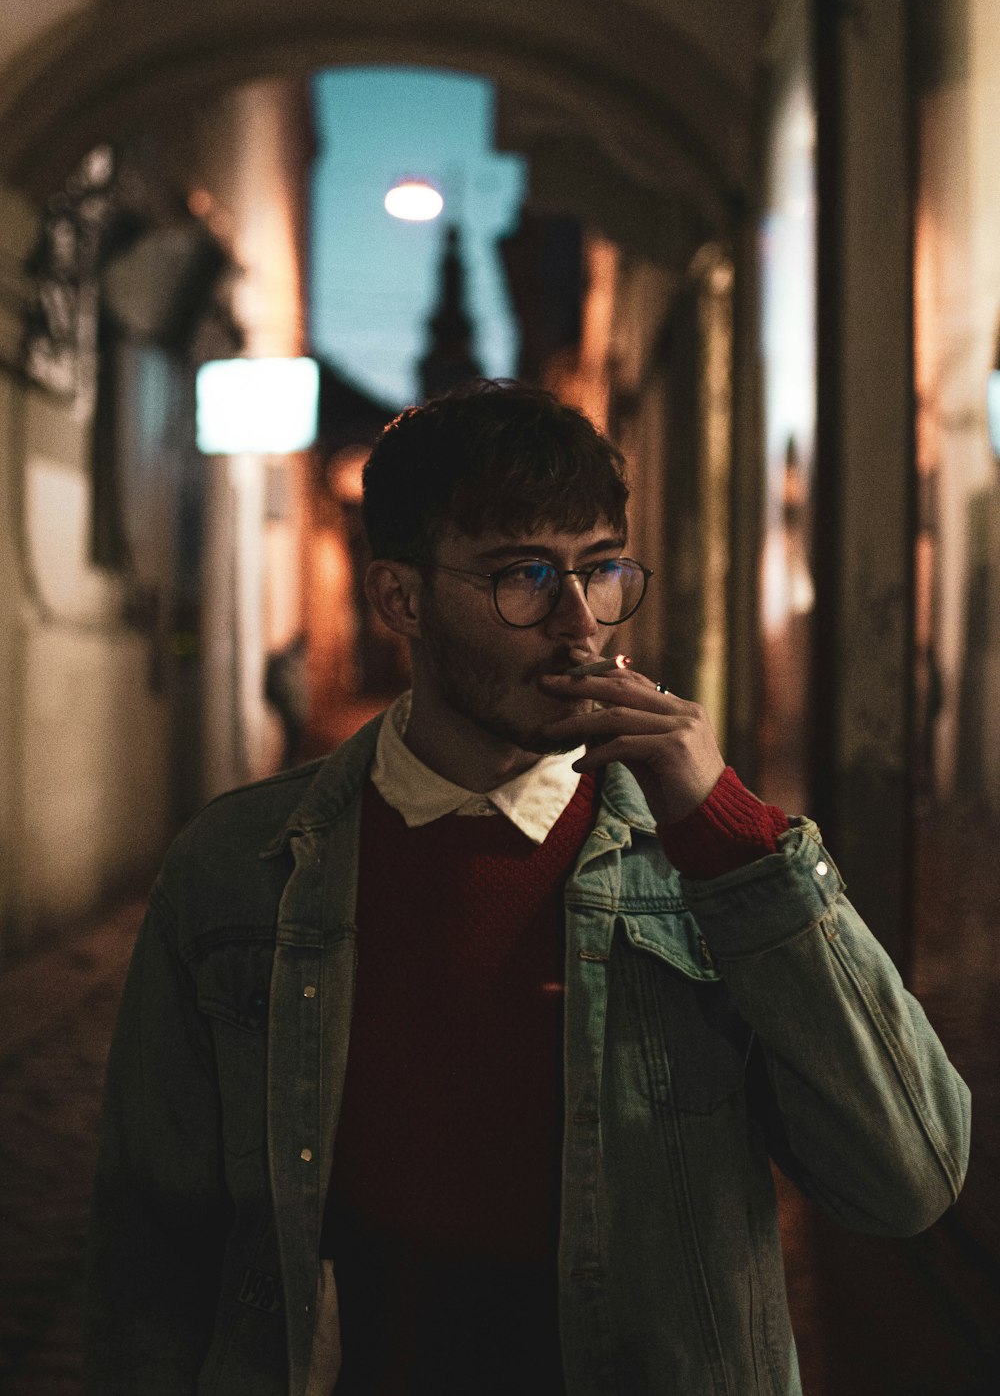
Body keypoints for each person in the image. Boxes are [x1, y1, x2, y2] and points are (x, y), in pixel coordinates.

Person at [85, 380, 970, 1396]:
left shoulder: (702, 861)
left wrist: (729, 833)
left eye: (600, 572)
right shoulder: (241, 866)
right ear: (400, 599)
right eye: (524, 577)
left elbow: (907, 1176)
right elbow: (150, 1244)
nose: (579, 625)